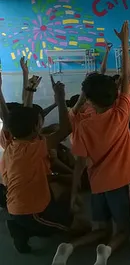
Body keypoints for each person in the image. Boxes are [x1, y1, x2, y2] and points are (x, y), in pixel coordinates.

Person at [52, 21, 130, 265]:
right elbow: (126, 76)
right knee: (122, 231)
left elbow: (80, 163)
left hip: (97, 184)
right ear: (114, 96)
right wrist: (125, 43)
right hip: (120, 182)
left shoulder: (82, 125)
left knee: (100, 227)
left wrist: (74, 194)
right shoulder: (121, 113)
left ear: (90, 100)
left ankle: (69, 247)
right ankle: (106, 252)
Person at [0, 74, 89, 253]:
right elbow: (65, 128)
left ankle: (26, 223)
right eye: (40, 120)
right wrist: (60, 98)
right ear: (35, 128)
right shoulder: (35, 148)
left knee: (63, 188)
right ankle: (23, 229)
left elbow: (18, 116)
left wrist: (29, 90)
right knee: (83, 228)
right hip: (30, 211)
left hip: (19, 202)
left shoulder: (11, 143)